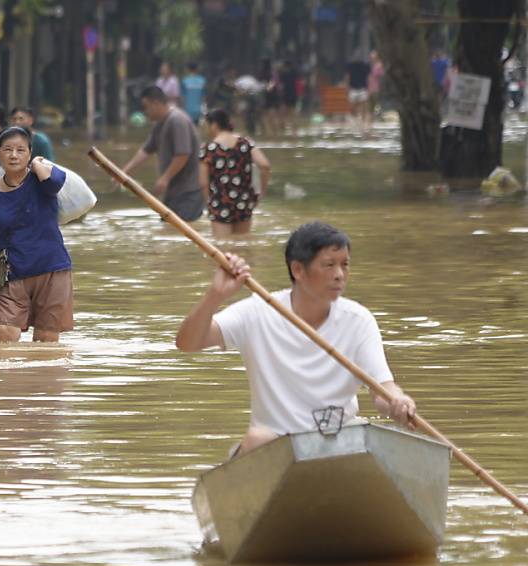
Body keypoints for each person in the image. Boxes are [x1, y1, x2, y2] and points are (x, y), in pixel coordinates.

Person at [175, 221, 417, 457]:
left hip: (338, 440)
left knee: (369, 439)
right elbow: (187, 343)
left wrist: (397, 402)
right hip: (276, 446)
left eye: (345, 265)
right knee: (258, 439)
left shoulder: (358, 320)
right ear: (297, 270)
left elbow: (383, 390)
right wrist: (215, 296)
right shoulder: (257, 312)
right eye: (329, 265)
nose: (339, 275)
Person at [0, 126, 73, 344]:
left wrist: (37, 164)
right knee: (5, 335)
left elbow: (56, 182)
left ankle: (35, 379)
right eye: (7, 149)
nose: (14, 155)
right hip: (10, 272)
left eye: (21, 150)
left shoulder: (41, 180)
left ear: (29, 153)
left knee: (46, 341)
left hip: (51, 270)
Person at [121, 85, 203, 221]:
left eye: (145, 107)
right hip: (173, 192)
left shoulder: (177, 120)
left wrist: (165, 178)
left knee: (180, 232)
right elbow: (146, 150)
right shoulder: (160, 124)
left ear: (156, 103)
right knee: (168, 229)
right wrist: (125, 172)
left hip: (189, 192)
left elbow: (183, 154)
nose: (145, 112)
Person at [198, 109, 271, 236]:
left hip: (220, 202)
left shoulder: (207, 149)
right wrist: (261, 192)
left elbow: (203, 183)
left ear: (214, 125)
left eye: (207, 126)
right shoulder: (245, 143)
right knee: (242, 244)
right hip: (244, 200)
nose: (206, 130)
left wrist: (208, 204)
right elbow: (265, 165)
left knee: (223, 248)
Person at [345, 52, 371, 127]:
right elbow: (348, 77)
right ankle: (356, 119)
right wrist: (347, 87)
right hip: (354, 88)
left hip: (362, 88)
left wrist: (368, 88)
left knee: (363, 106)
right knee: (353, 106)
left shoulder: (364, 66)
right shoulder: (351, 66)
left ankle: (362, 121)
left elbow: (368, 77)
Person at [366, 50, 384, 125]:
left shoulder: (379, 65)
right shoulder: (370, 66)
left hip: (376, 88)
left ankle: (378, 119)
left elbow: (381, 75)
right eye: (371, 57)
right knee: (370, 107)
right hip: (369, 88)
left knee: (377, 105)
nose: (372, 58)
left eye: (373, 57)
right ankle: (370, 122)